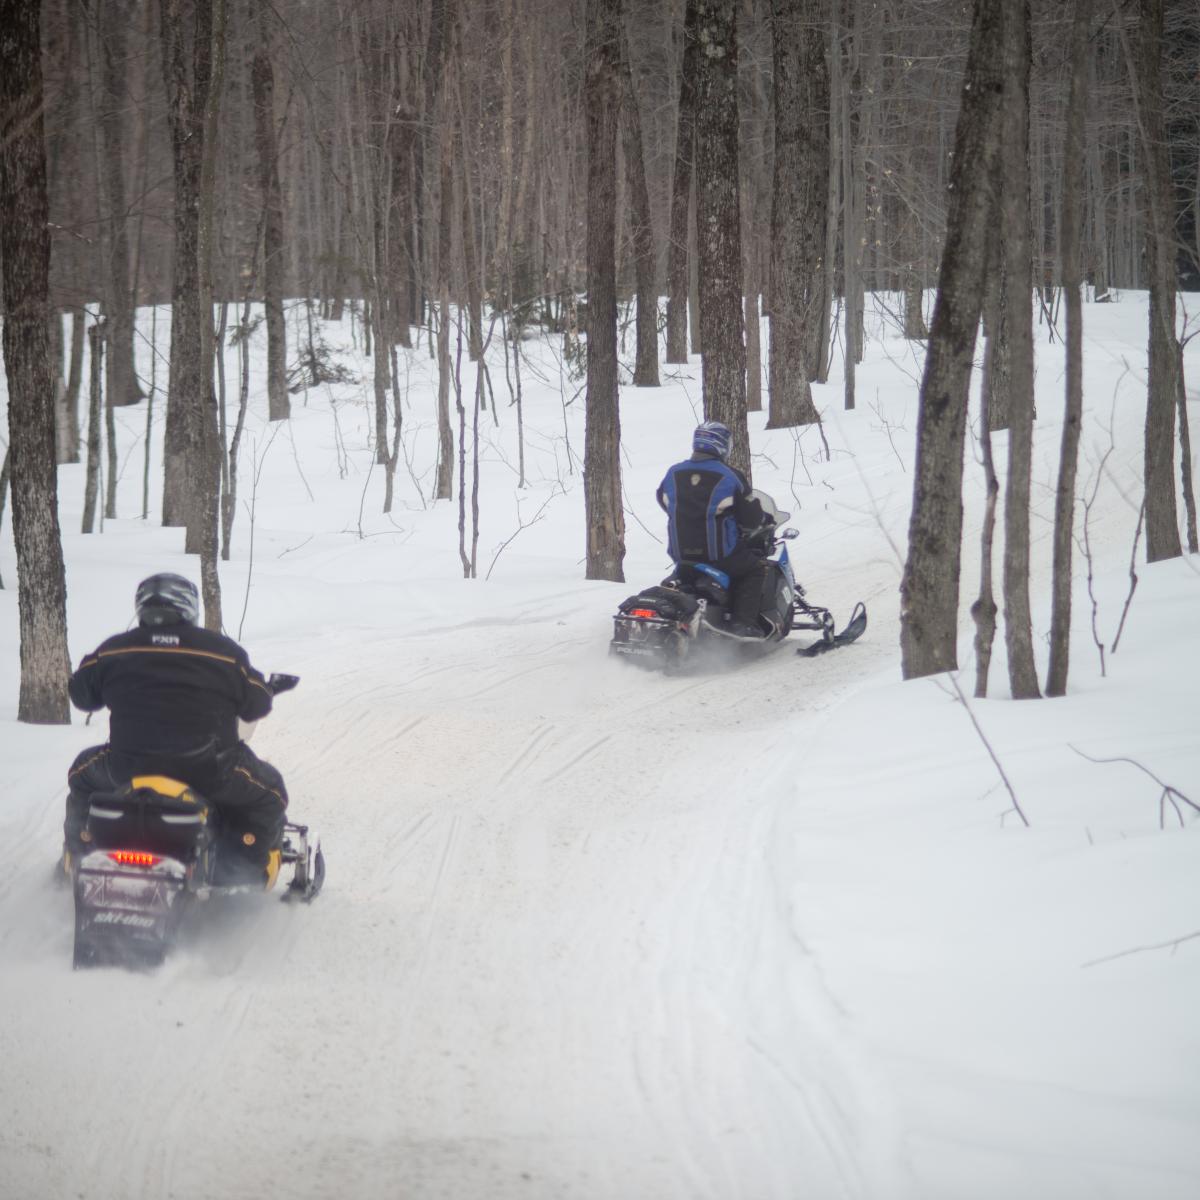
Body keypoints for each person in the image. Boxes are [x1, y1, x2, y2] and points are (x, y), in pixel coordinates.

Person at [63, 573, 288, 885]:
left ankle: (76, 854)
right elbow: (257, 704)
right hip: (209, 771)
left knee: (81, 775)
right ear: (189, 608)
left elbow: (81, 695)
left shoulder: (114, 651)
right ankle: (246, 874)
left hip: (126, 769)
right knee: (271, 792)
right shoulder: (223, 653)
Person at [656, 421, 770, 638]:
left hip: (681, 556)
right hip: (720, 556)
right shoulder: (730, 476)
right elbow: (751, 518)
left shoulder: (673, 473)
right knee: (755, 568)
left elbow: (663, 501)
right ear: (722, 445)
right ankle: (743, 623)